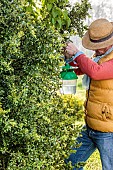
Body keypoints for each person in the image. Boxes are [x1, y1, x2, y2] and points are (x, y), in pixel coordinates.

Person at [64, 18, 113, 170]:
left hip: (108, 131)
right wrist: (69, 57)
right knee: (72, 162)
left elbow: (95, 72)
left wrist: (78, 54)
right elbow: (84, 69)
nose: (95, 50)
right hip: (90, 126)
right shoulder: (100, 57)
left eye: (100, 46)